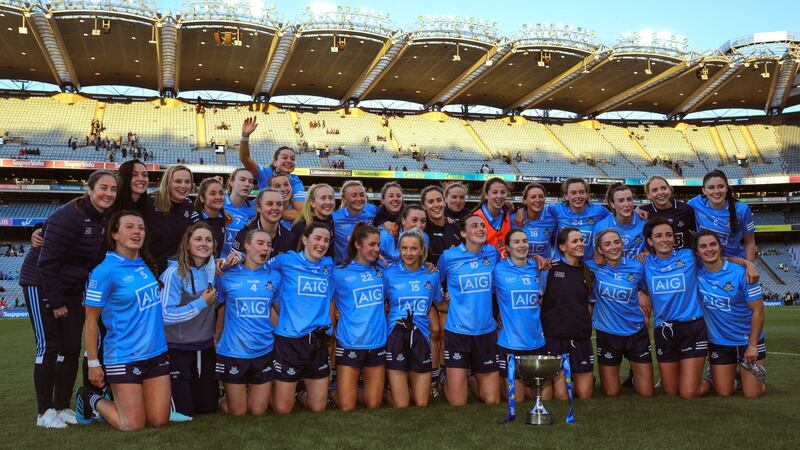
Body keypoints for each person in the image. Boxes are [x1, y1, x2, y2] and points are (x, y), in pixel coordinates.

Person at [19, 170, 117, 428]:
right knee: (49, 346)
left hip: (72, 287)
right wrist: (56, 302)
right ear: (90, 189)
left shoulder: (105, 218)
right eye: (103, 188)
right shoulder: (69, 215)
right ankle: (44, 412)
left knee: (71, 347)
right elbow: (47, 261)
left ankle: (61, 406)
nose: (108, 193)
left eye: (113, 189)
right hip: (40, 282)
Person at [76, 211, 170, 430]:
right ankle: (89, 397)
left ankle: (118, 394)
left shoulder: (145, 263)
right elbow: (90, 321)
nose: (137, 231)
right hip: (124, 355)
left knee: (158, 420)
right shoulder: (104, 271)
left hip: (157, 353)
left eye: (141, 227)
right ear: (114, 234)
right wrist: (93, 363)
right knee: (132, 425)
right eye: (129, 227)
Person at [267, 223, 335, 414]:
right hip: (290, 340)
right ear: (305, 239)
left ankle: (299, 395)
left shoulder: (328, 265)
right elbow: (260, 265)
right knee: (282, 409)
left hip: (318, 341)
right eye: (317, 238)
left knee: (318, 407)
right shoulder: (286, 260)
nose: (321, 244)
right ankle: (274, 393)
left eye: (326, 240)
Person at [215, 229, 282, 415]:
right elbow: (220, 307)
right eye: (260, 243)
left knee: (258, 411)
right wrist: (217, 334)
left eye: (269, 245)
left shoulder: (274, 276)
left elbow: (277, 308)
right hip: (234, 351)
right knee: (238, 412)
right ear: (246, 245)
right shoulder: (226, 274)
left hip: (264, 350)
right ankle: (222, 400)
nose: (266, 248)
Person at [437, 215, 500, 406]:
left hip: (486, 332)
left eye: (482, 225)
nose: (481, 229)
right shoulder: (449, 257)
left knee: (492, 400)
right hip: (458, 332)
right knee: (458, 403)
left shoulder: (492, 253)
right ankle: (443, 379)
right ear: (463, 233)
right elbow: (435, 281)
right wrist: (443, 299)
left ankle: (471, 378)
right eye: (474, 226)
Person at [641, 217, 707, 399]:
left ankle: (711, 379)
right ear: (650, 241)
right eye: (659, 236)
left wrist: (747, 263)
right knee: (670, 392)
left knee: (688, 393)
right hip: (664, 329)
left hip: (692, 327)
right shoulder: (645, 264)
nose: (665, 239)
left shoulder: (689, 256)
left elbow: (717, 255)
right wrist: (641, 292)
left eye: (669, 235)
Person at [695, 230, 766, 398]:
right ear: (697, 252)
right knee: (724, 392)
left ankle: (751, 378)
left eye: (713, 245)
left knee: (752, 394)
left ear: (720, 248)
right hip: (719, 342)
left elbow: (758, 311)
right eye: (703, 246)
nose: (709, 249)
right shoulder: (695, 273)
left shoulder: (742, 273)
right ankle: (722, 375)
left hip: (747, 340)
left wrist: (753, 345)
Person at [159, 223, 219, 417]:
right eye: (198, 239)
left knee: (208, 408)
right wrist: (201, 303)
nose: (204, 244)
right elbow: (165, 316)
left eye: (208, 240)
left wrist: (239, 257)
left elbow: (237, 259)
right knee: (184, 413)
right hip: (178, 350)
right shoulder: (173, 274)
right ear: (187, 244)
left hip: (205, 348)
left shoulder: (213, 268)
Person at [586, 229, 654, 397]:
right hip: (608, 333)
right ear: (600, 250)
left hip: (635, 331)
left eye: (616, 242)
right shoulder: (592, 265)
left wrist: (642, 295)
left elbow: (646, 291)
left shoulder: (637, 267)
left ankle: (634, 378)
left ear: (622, 244)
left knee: (646, 393)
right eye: (607, 244)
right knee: (611, 393)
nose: (613, 247)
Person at [330, 223, 387, 411]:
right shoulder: (338, 273)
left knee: (373, 404)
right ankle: (330, 390)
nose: (376, 249)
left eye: (378, 244)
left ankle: (358, 388)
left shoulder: (382, 271)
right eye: (371, 245)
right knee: (346, 406)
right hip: (349, 342)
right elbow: (327, 301)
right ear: (357, 245)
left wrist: (429, 267)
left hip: (377, 343)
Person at [383, 229, 442, 407]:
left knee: (421, 403)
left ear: (422, 250)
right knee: (402, 405)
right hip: (396, 335)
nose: (408, 253)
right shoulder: (388, 273)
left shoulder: (432, 273)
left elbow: (439, 303)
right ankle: (386, 391)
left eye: (413, 249)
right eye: (404, 248)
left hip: (422, 337)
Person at [540, 227, 594, 400]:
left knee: (584, 395)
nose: (580, 244)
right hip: (555, 339)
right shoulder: (549, 269)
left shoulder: (589, 272)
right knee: (562, 396)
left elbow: (589, 305)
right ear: (562, 247)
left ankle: (583, 376)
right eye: (575, 241)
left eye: (581, 240)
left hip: (580, 339)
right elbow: (538, 301)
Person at [493, 229, 547, 403]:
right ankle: (476, 380)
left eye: (524, 241)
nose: (522, 245)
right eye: (516, 242)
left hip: (536, 340)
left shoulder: (537, 267)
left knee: (545, 397)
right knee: (517, 400)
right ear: (507, 248)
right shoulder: (498, 270)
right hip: (510, 342)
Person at [419, 185, 460, 396]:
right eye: (430, 202)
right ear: (424, 206)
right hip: (428, 289)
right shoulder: (421, 231)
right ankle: (433, 376)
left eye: (438, 200)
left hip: (449, 291)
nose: (435, 205)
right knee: (434, 330)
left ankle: (445, 374)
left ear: (445, 201)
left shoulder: (456, 227)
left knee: (444, 330)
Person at [239, 117, 306, 212]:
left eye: (293, 159)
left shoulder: (295, 181)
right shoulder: (265, 173)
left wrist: (269, 212)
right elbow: (245, 159)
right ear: (275, 162)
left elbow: (300, 212)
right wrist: (245, 136)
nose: (289, 160)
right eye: (284, 157)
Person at [687, 170, 756, 261]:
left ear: (726, 188)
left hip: (733, 261)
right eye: (711, 187)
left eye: (721, 187)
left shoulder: (741, 210)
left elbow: (749, 242)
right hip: (705, 261)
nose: (716, 191)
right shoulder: (695, 203)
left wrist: (750, 266)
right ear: (704, 190)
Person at [145, 165, 199, 274]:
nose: (183, 186)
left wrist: (222, 211)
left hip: (176, 273)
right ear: (167, 182)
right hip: (149, 271)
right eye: (178, 181)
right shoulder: (149, 202)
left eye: (187, 182)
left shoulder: (189, 205)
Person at [548, 177, 610, 260]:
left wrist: (600, 250)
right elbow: (535, 208)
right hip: (562, 265)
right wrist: (523, 209)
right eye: (573, 193)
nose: (578, 196)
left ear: (587, 194)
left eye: (581, 192)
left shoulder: (599, 211)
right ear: (566, 196)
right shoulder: (557, 210)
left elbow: (614, 221)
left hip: (588, 264)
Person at [234, 189, 300, 258]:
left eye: (279, 204)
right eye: (269, 204)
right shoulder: (245, 235)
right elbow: (235, 266)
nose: (275, 208)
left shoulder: (290, 237)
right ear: (258, 207)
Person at [587, 183, 646, 260]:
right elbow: (598, 257)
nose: (626, 204)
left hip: (637, 271)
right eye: (621, 201)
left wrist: (647, 254)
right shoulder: (601, 227)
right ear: (612, 204)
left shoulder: (645, 223)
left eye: (629, 199)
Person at [638, 176, 696, 250]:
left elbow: (696, 232)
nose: (660, 192)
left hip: (683, 258)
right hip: (658, 258)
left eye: (664, 188)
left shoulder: (685, 209)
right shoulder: (644, 212)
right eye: (655, 190)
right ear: (648, 195)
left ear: (670, 190)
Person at [332, 180, 379, 265]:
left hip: (368, 267)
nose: (359, 199)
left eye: (362, 195)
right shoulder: (334, 218)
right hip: (344, 268)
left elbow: (385, 215)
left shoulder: (372, 210)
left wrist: (386, 222)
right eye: (354, 195)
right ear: (344, 199)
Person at [471, 177, 512, 257]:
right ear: (486, 195)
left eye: (503, 192)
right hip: (485, 266)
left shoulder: (507, 214)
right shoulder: (475, 218)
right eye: (495, 192)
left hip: (503, 266)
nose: (499, 196)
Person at [293, 183, 336, 258]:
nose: (328, 202)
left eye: (331, 198)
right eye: (323, 198)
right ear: (312, 203)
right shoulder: (301, 227)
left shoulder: (335, 221)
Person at [515, 183, 557, 259]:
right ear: (525, 200)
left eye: (541, 197)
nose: (538, 200)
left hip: (543, 269)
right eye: (533, 197)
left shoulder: (552, 219)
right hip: (520, 269)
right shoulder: (514, 219)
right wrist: (520, 209)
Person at [222, 168, 256, 258]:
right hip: (217, 266)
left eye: (250, 181)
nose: (247, 184)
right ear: (231, 182)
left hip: (240, 266)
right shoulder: (219, 204)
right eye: (242, 179)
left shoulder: (255, 209)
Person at [194, 178, 226, 257]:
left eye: (221, 193)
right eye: (212, 193)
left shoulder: (223, 217)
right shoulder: (194, 220)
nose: (218, 197)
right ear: (202, 198)